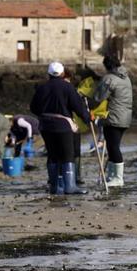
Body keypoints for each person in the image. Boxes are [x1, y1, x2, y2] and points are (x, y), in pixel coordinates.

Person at [30, 62, 91, 195]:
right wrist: (87, 118)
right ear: (62, 73)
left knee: (52, 155)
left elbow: (33, 108)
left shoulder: (42, 88)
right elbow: (78, 106)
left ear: (49, 73)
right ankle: (70, 187)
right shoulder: (67, 87)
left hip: (45, 125)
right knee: (67, 154)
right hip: (63, 126)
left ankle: (55, 187)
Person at [93, 55, 133, 187]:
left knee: (113, 147)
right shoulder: (126, 77)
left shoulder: (109, 79)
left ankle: (118, 178)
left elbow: (99, 97)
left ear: (107, 66)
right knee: (112, 146)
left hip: (114, 117)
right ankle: (112, 175)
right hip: (125, 117)